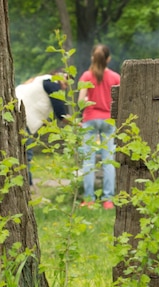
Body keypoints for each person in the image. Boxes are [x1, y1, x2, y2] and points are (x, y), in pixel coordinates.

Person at [77, 44, 121, 210]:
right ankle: (108, 199)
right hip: (109, 120)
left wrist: (89, 101)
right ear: (108, 59)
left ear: (92, 58)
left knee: (88, 160)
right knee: (108, 160)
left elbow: (80, 102)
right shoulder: (116, 77)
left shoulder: (86, 76)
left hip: (89, 119)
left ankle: (89, 199)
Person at [15, 70, 69, 185]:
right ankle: (27, 186)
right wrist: (79, 123)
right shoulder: (53, 84)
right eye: (66, 79)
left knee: (20, 151)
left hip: (17, 110)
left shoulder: (40, 79)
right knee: (26, 153)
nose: (66, 85)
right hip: (23, 116)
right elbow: (61, 114)